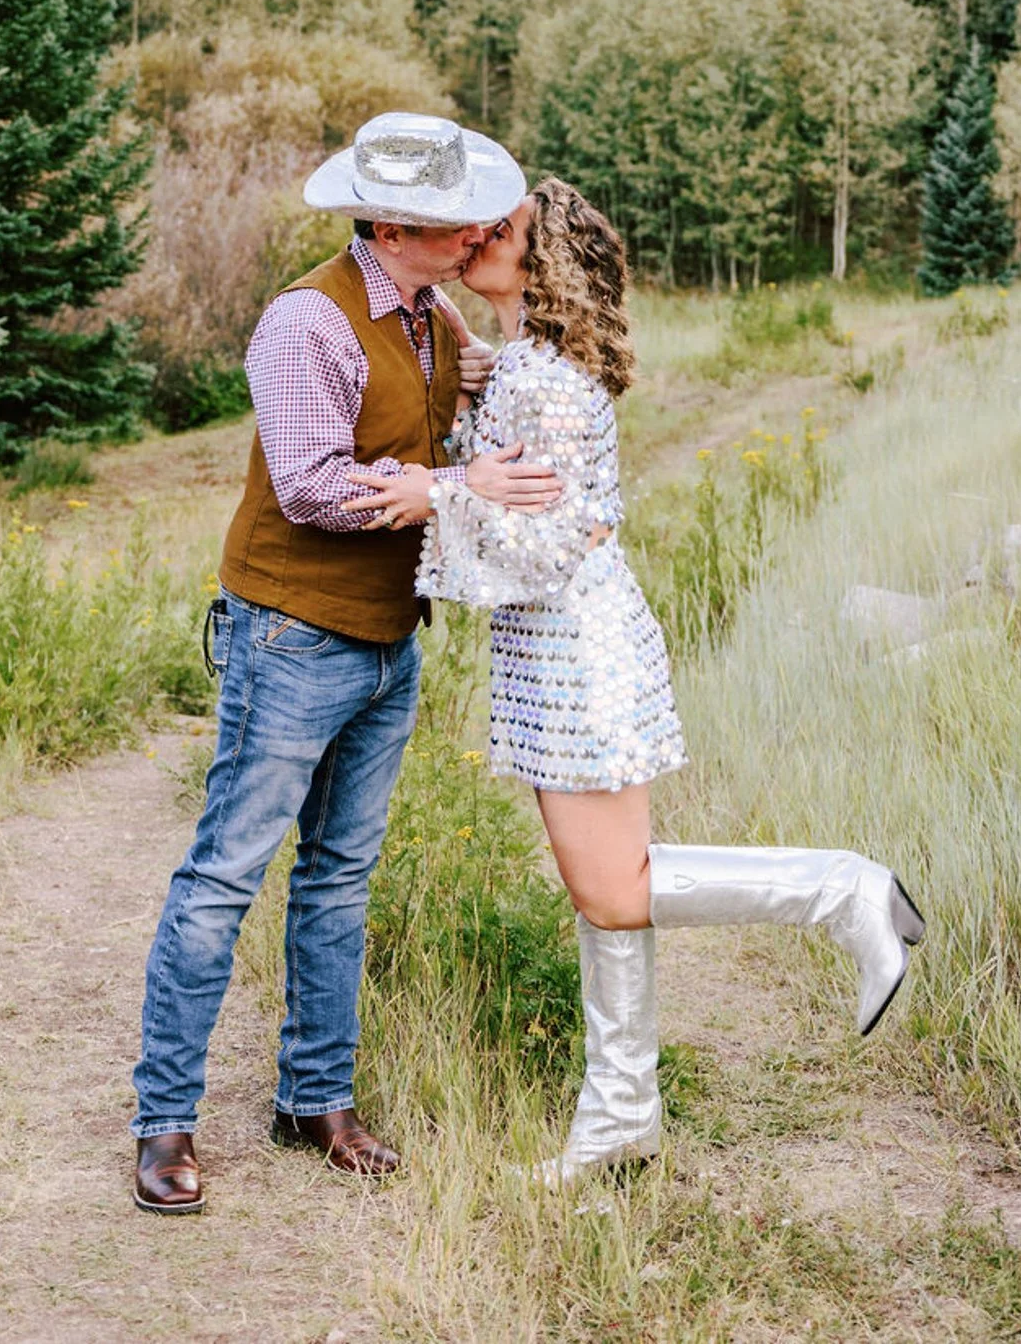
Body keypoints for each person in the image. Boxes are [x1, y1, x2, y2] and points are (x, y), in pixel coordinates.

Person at [349, 178, 925, 1186]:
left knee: (616, 888)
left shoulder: (547, 377)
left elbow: (570, 531)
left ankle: (849, 893)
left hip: (577, 655)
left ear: (545, 259)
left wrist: (431, 496)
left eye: (504, 229)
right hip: (556, 656)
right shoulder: (527, 362)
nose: (478, 236)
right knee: (601, 894)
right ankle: (620, 1118)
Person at [128, 112, 562, 1216]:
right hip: (290, 634)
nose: (475, 232)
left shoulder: (430, 314)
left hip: (384, 643)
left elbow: (450, 436)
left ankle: (313, 1099)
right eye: (457, 219)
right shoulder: (303, 323)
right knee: (227, 874)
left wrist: (503, 408)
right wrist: (462, 490)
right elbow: (321, 486)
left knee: (339, 878)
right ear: (396, 221)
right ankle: (163, 1121)